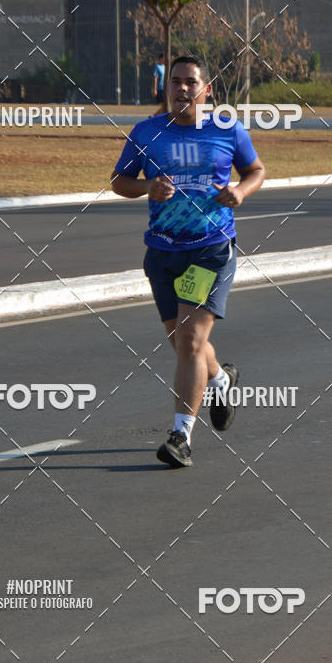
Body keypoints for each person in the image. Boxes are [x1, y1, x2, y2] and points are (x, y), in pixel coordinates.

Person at [111, 55, 266, 467]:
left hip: (210, 248)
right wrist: (146, 187)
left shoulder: (227, 129)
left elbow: (256, 169)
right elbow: (118, 181)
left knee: (191, 342)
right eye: (175, 82)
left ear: (207, 89)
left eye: (190, 82)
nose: (182, 89)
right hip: (163, 251)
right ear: (168, 88)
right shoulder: (147, 132)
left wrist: (242, 192)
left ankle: (181, 436)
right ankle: (220, 379)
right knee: (183, 344)